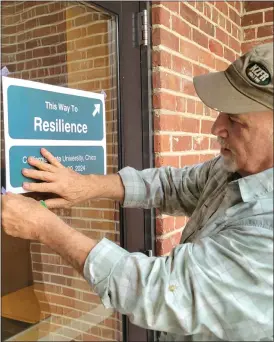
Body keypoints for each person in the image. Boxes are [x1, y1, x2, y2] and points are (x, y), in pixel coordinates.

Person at [2, 43, 273, 341]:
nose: (216, 127)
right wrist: (85, 186)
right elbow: (174, 185)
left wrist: (46, 229)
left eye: (235, 119)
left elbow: (161, 290)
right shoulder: (234, 168)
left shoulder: (266, 231)